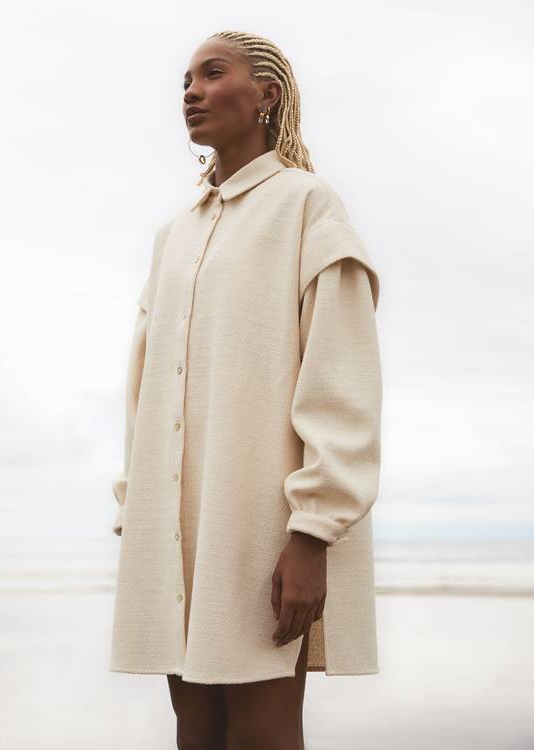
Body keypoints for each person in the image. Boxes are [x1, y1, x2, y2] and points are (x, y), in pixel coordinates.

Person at [110, 30, 383, 750]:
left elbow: (340, 376)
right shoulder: (175, 234)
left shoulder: (306, 206)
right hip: (175, 523)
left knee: (262, 726)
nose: (191, 91)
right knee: (195, 725)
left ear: (267, 94)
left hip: (264, 521)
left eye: (212, 73)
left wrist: (313, 532)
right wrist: (137, 505)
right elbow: (147, 388)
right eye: (185, 80)